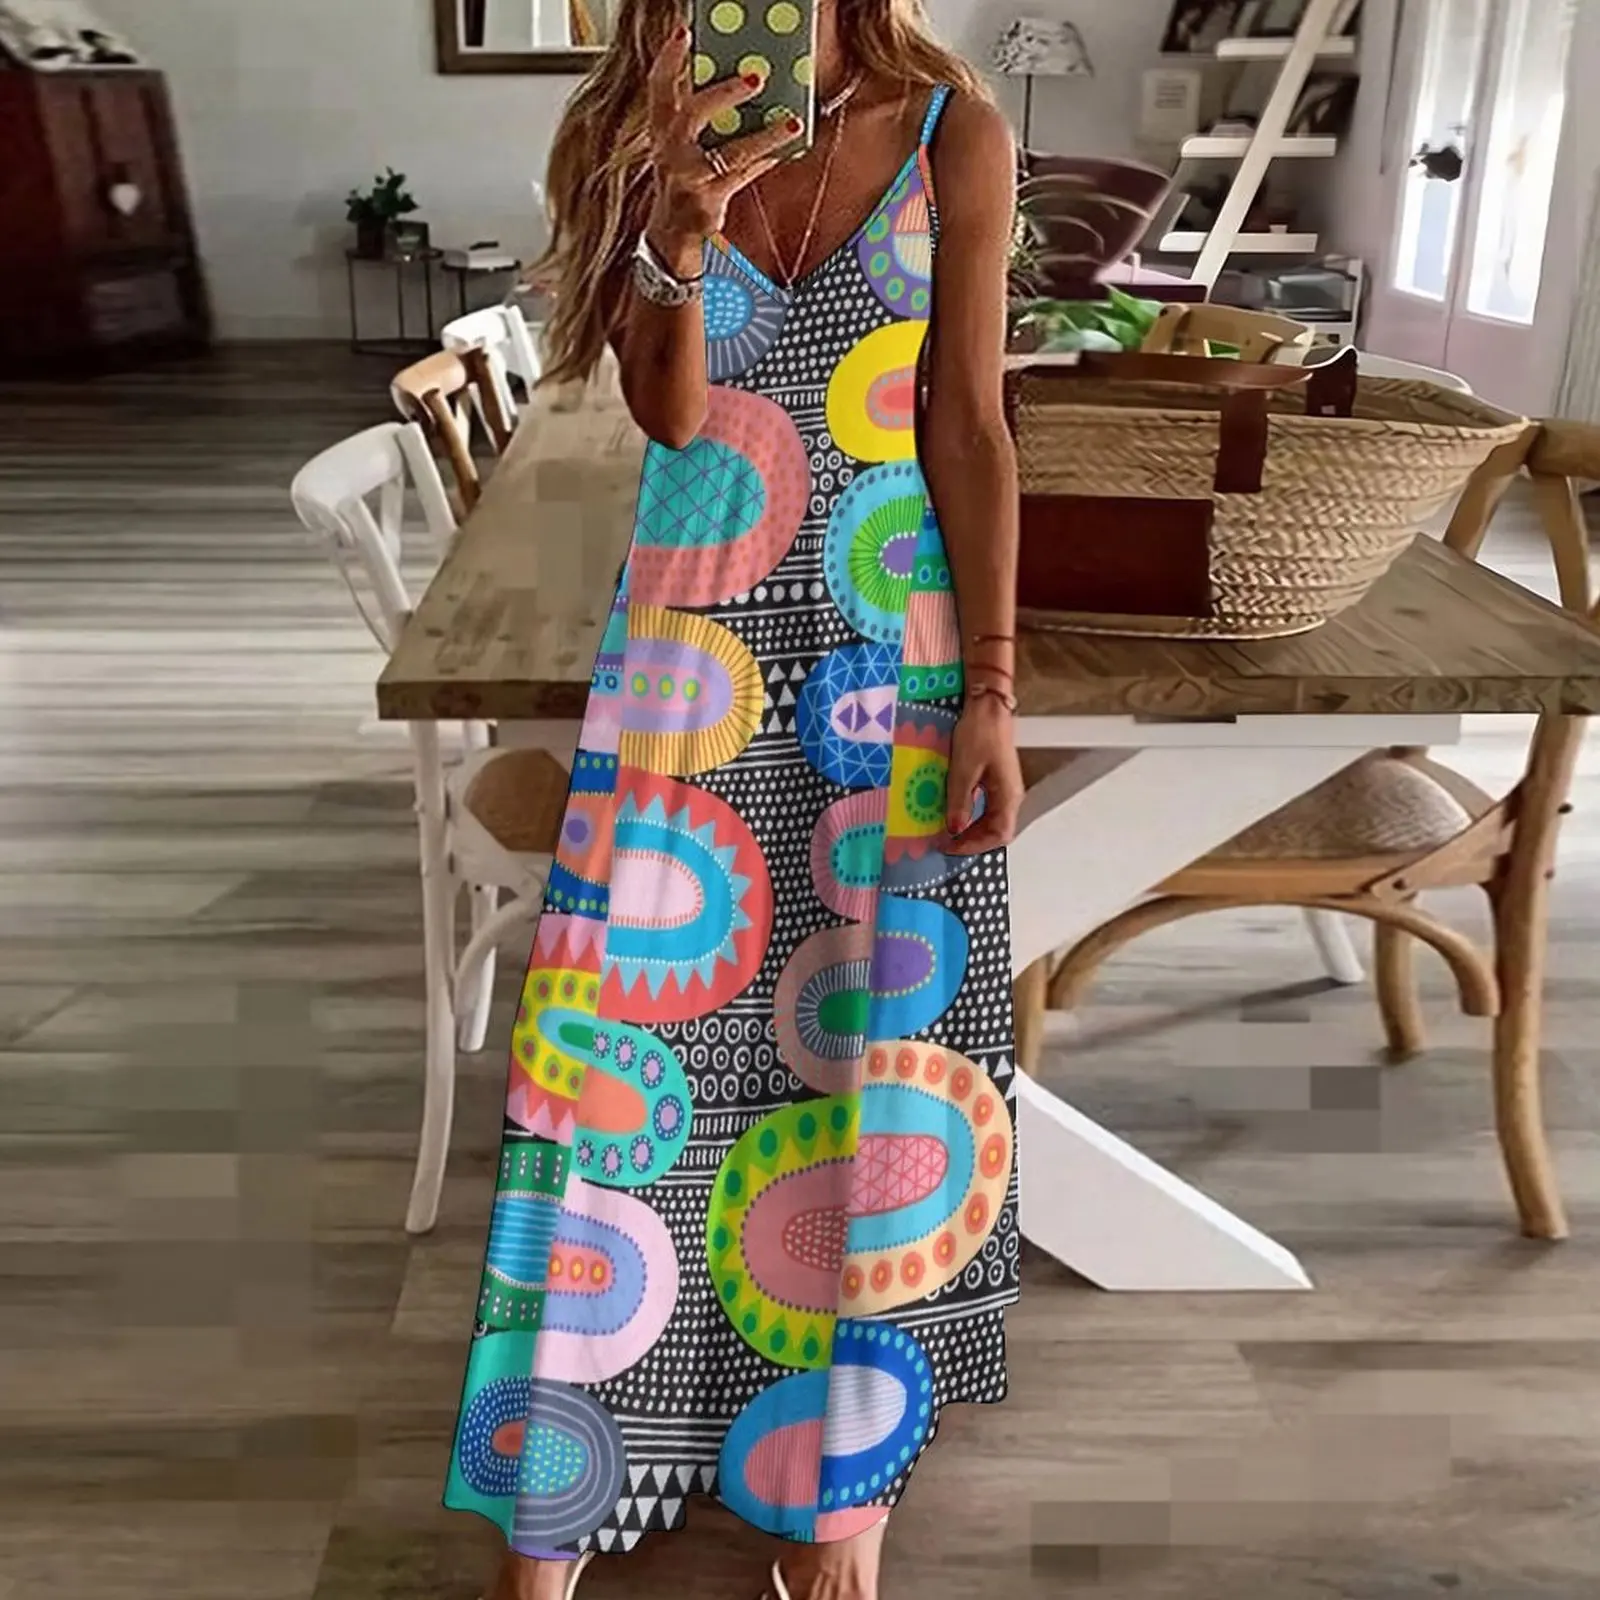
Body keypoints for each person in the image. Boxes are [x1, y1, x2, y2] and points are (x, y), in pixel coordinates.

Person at [446, 4, 1023, 1599]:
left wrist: (991, 687)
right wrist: (678, 231)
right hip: (687, 648)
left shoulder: (952, 133)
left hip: (886, 643)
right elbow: (676, 416)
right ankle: (559, 1488)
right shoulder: (644, 129)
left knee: (874, 1058)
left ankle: (842, 1502)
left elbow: (970, 424)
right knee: (612, 1059)